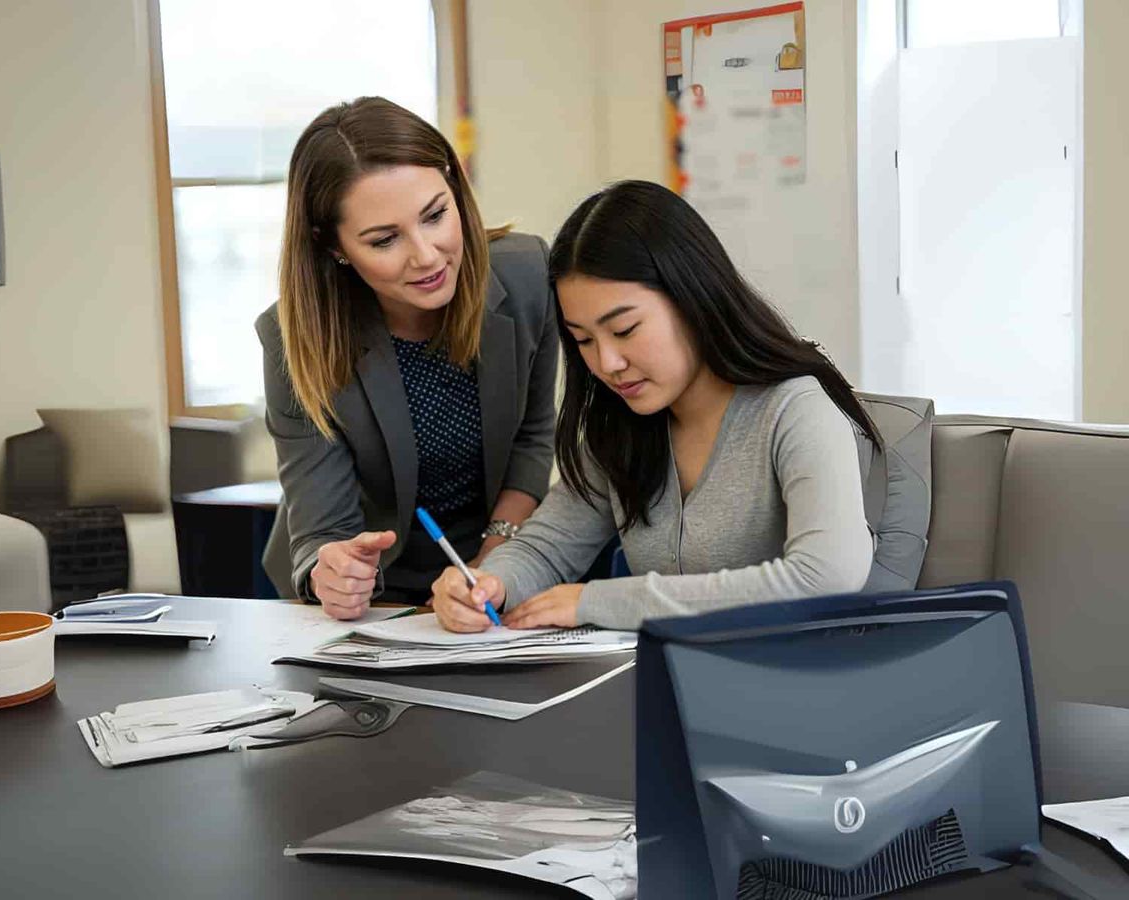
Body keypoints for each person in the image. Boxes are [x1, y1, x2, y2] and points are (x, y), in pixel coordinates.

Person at [432, 180, 877, 632]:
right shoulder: (622, 426)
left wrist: (601, 601)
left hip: (792, 670)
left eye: (624, 330)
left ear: (692, 297)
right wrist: (487, 584)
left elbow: (827, 576)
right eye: (584, 340)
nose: (608, 363)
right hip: (671, 670)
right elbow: (544, 550)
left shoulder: (795, 409)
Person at [256, 97, 558, 618]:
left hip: (489, 567)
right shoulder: (295, 337)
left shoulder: (528, 275)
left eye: (436, 215)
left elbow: (533, 436)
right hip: (367, 600)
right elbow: (323, 532)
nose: (426, 255)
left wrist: (494, 558)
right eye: (384, 240)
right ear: (334, 247)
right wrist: (335, 574)